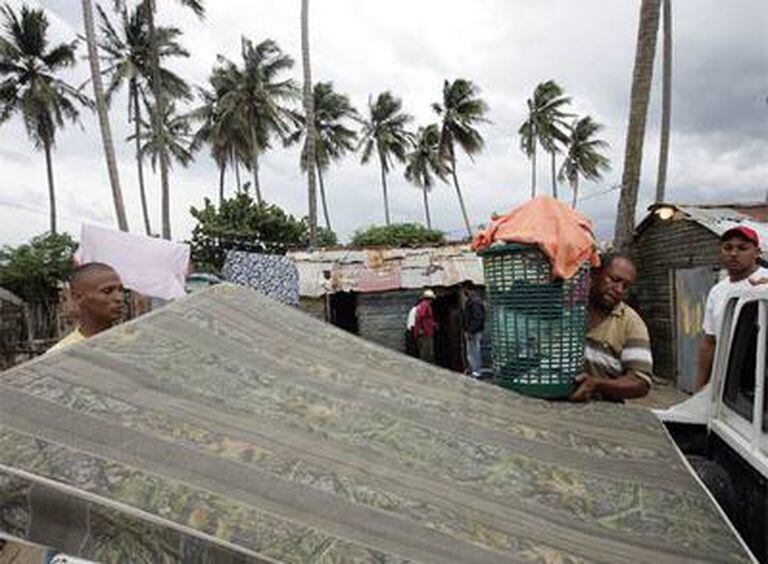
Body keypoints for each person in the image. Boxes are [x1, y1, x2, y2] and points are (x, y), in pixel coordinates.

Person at [570, 253, 652, 402]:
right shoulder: (568, 306)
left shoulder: (631, 323)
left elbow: (641, 382)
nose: (619, 289)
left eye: (626, 286)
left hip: (601, 413)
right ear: (594, 274)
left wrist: (598, 384)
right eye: (614, 280)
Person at [697, 226, 767, 389]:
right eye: (728, 248)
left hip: (762, 378)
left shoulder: (766, 280)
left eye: (742, 248)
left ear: (756, 253)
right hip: (730, 383)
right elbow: (710, 342)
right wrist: (700, 387)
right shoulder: (717, 291)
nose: (734, 254)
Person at [48, 263, 125, 353]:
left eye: (121, 290)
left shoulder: (133, 341)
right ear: (78, 298)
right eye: (107, 291)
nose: (119, 298)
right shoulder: (61, 354)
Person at [462, 282, 485, 377]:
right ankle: (474, 370)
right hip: (473, 330)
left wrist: (470, 331)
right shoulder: (473, 301)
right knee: (472, 352)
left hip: (474, 331)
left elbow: (477, 318)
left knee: (473, 352)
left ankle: (476, 371)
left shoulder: (474, 302)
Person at [412, 289, 437, 364]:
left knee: (426, 352)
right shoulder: (425, 305)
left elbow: (426, 319)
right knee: (426, 353)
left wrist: (433, 324)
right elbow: (420, 317)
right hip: (425, 333)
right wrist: (421, 329)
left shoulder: (422, 305)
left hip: (426, 332)